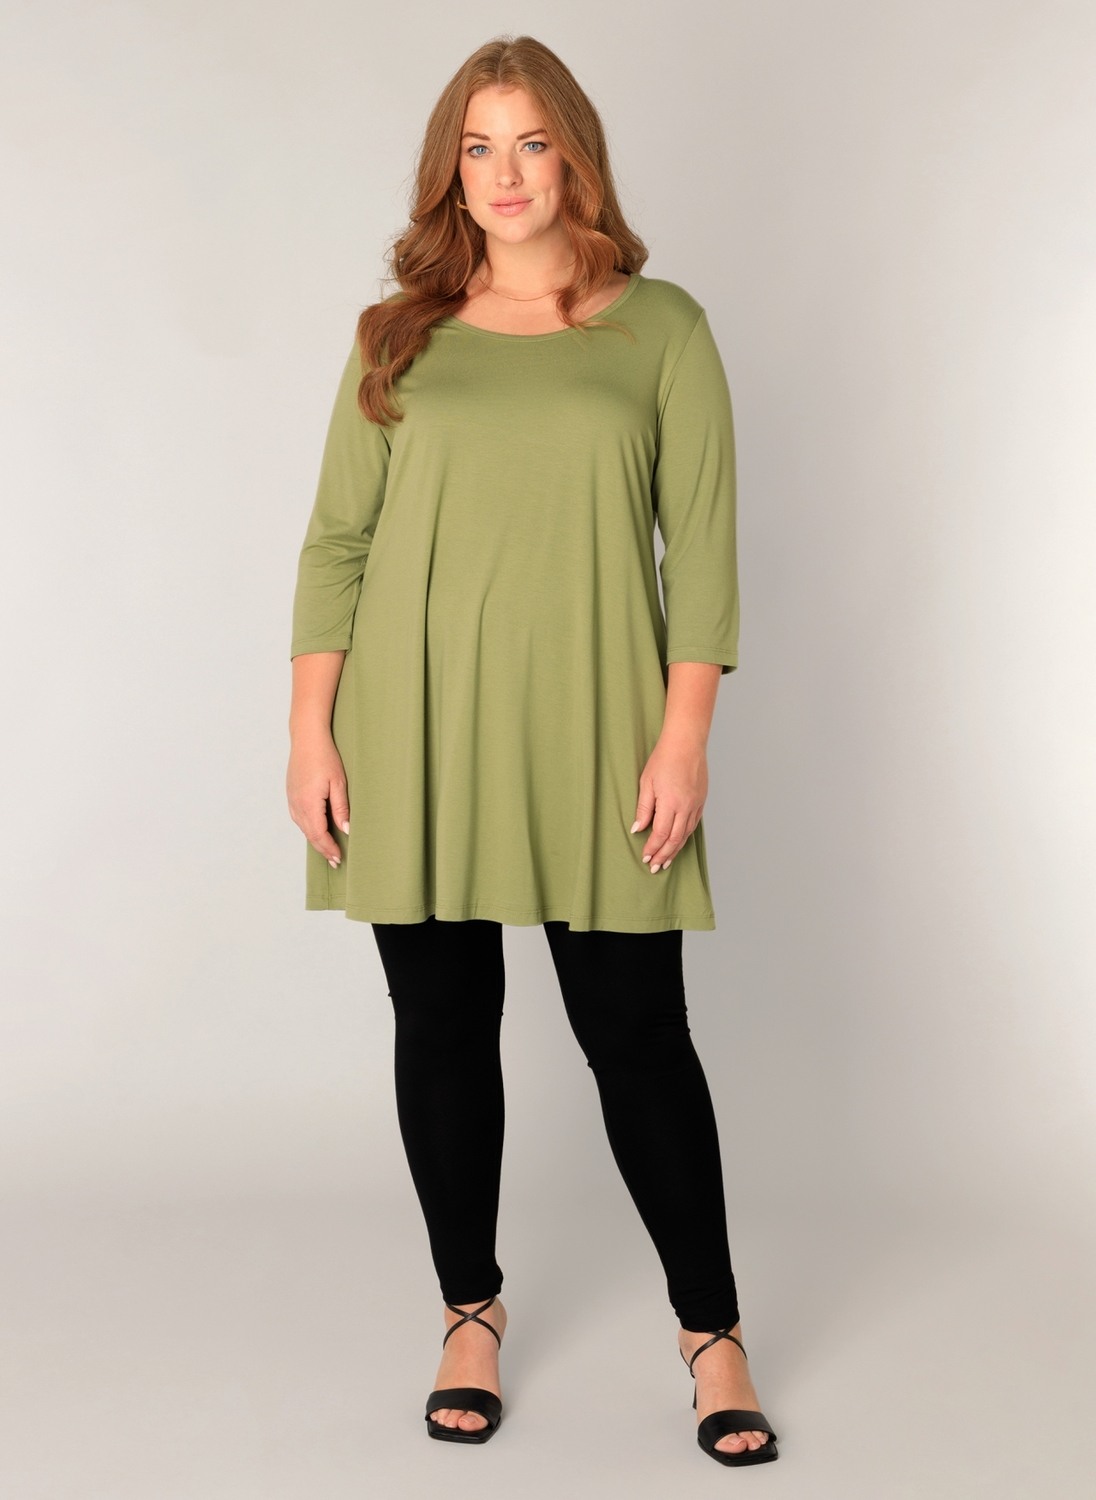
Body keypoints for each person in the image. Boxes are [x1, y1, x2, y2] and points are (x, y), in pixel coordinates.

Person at [285, 33, 779, 1468]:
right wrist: (310, 731)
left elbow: (705, 554)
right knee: (442, 1026)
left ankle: (713, 1335)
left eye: (532, 143)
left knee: (637, 1035)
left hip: (600, 729)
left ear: (576, 156)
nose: (504, 175)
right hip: (413, 724)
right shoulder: (398, 336)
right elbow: (337, 544)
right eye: (478, 147)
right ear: (452, 170)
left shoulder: (663, 329)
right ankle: (469, 1313)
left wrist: (684, 737)